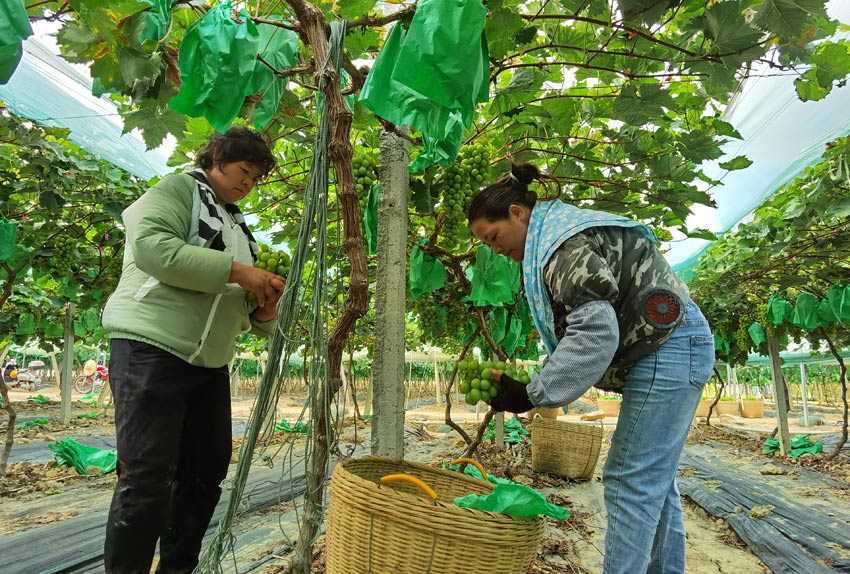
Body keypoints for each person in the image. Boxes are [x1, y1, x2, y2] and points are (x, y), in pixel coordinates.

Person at [467, 162, 715, 574]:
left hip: (668, 347)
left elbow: (595, 331)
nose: (495, 250)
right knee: (652, 482)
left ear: (517, 213)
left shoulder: (562, 246)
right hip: (672, 345)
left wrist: (531, 394)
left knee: (629, 479)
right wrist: (532, 388)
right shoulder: (558, 233)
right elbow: (587, 329)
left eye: (494, 237)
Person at [101, 126, 286, 574]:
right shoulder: (178, 189)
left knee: (205, 474)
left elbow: (238, 305)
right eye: (244, 171)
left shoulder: (238, 226)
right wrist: (240, 273)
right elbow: (152, 247)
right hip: (151, 347)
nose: (248, 183)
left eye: (256, 178)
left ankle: (177, 568)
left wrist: (265, 307)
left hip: (208, 362)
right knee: (147, 478)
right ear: (216, 157)